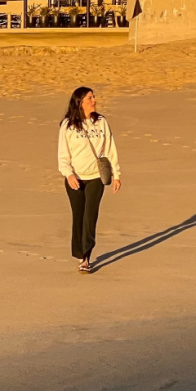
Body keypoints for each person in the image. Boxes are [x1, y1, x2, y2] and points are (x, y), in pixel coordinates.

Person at [58, 86, 122, 273]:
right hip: (75, 179)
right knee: (78, 217)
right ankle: (79, 252)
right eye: (89, 98)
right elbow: (63, 154)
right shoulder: (68, 125)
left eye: (94, 97)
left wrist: (116, 175)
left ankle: (86, 258)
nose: (94, 100)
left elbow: (110, 149)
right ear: (80, 102)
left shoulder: (101, 122)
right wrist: (68, 174)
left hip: (96, 177)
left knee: (90, 217)